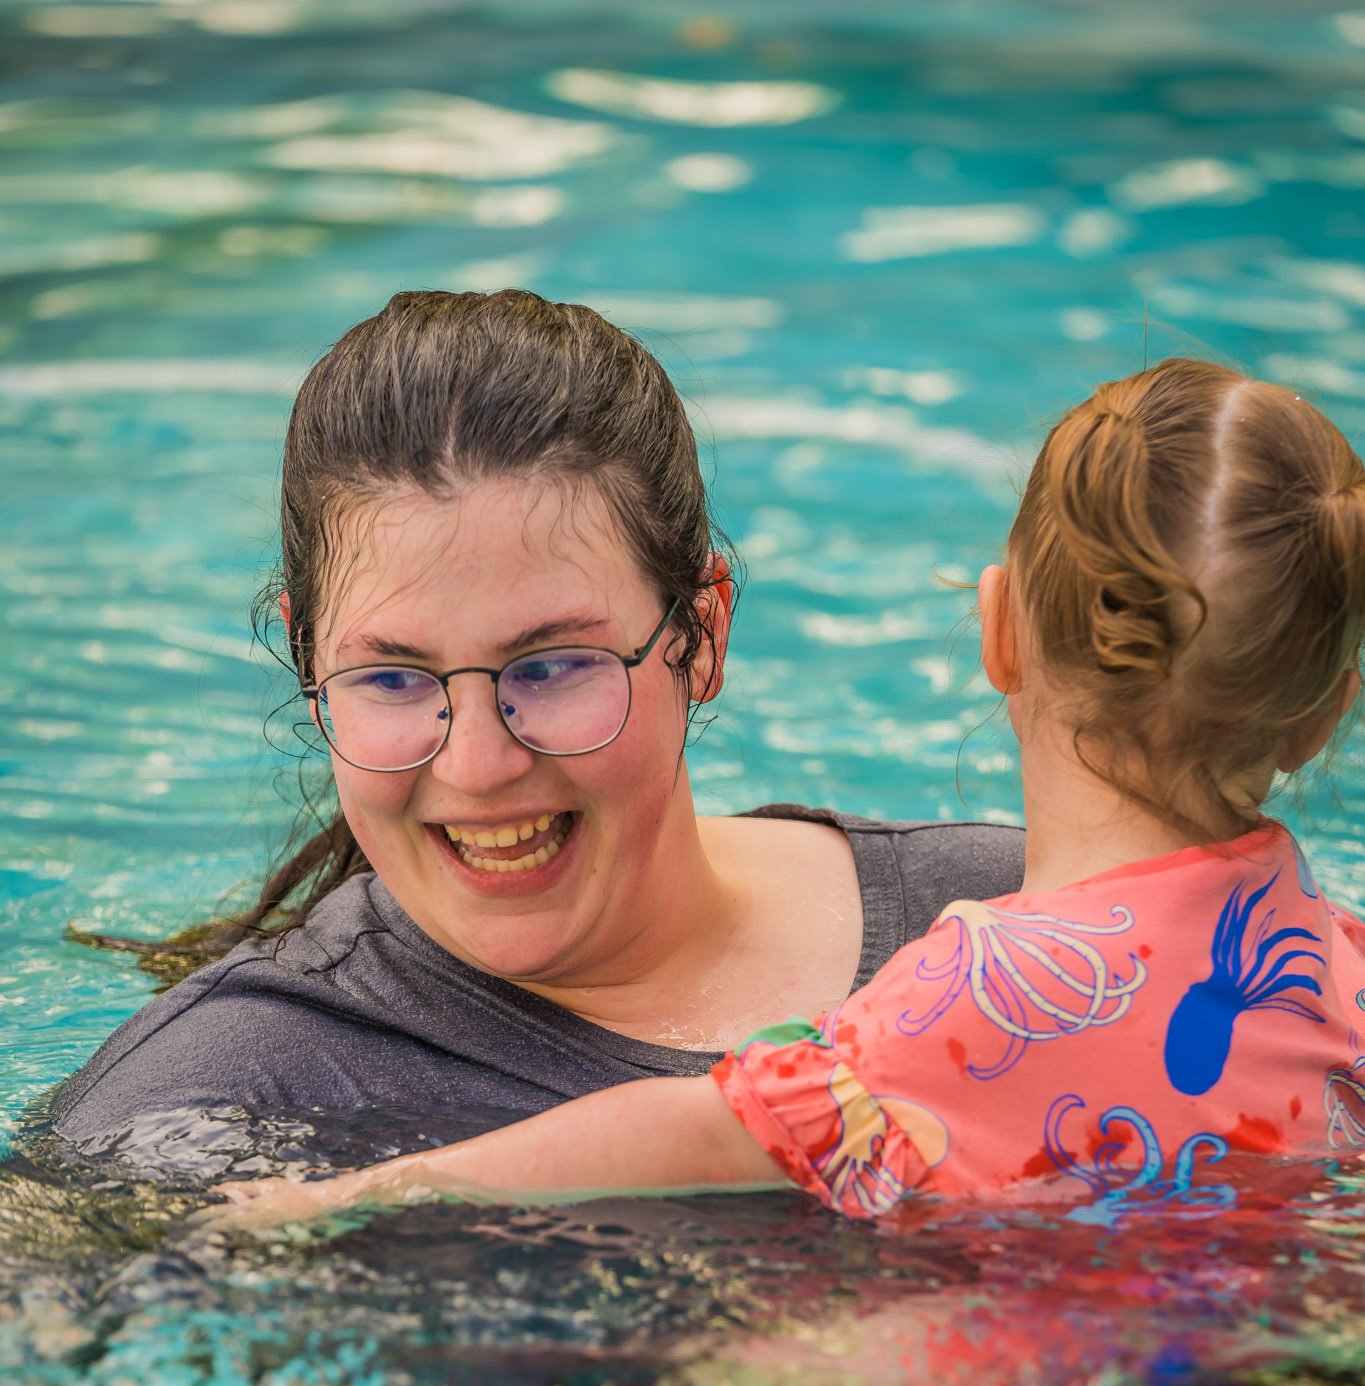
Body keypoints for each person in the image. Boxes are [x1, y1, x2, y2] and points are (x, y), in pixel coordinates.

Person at [218, 357, 1365, 1224]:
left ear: (998, 630)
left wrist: (357, 1196)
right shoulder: (1344, 970)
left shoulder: (973, 996)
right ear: (1324, 709)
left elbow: (687, 1132)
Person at [48, 289, 1025, 1171]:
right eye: (392, 677)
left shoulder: (1031, 920)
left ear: (705, 637)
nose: (476, 764)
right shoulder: (217, 1100)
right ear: (310, 668)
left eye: (553, 667)